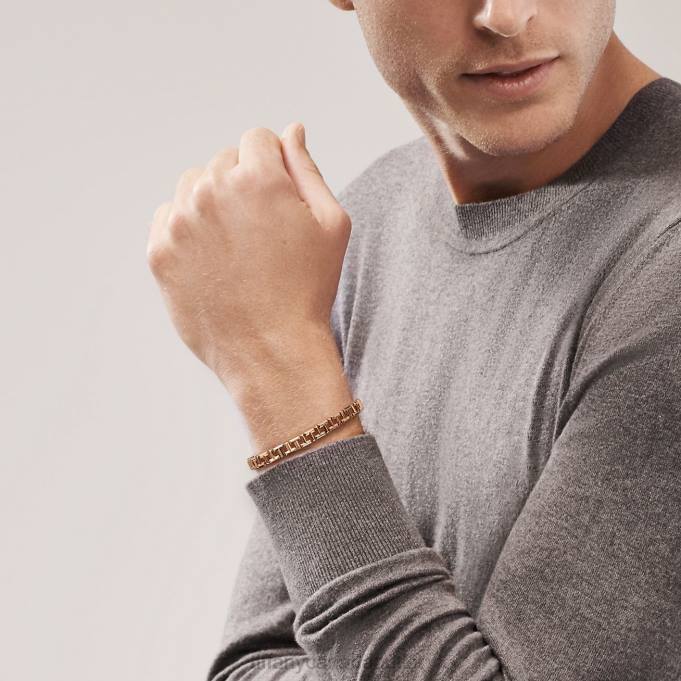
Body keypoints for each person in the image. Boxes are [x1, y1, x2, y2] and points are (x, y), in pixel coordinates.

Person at [147, 1, 681, 680]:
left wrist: (276, 363)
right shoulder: (372, 217)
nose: (507, 15)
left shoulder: (664, 264)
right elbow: (250, 666)